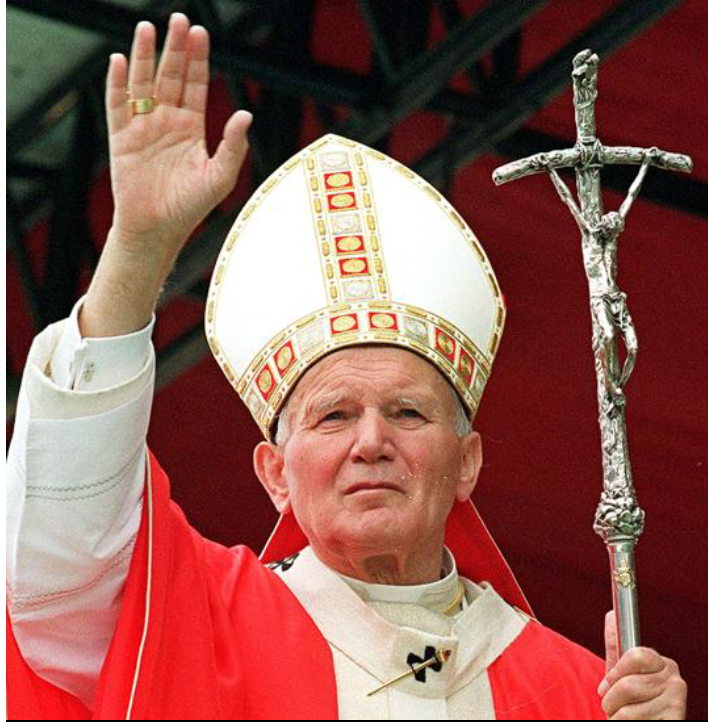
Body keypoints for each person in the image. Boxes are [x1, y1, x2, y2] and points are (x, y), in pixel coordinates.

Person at [7, 14, 687, 720]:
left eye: (408, 412)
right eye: (333, 416)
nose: (371, 442)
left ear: (467, 464)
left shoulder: (578, 694)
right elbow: (63, 558)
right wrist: (137, 249)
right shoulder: (195, 621)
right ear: (274, 472)